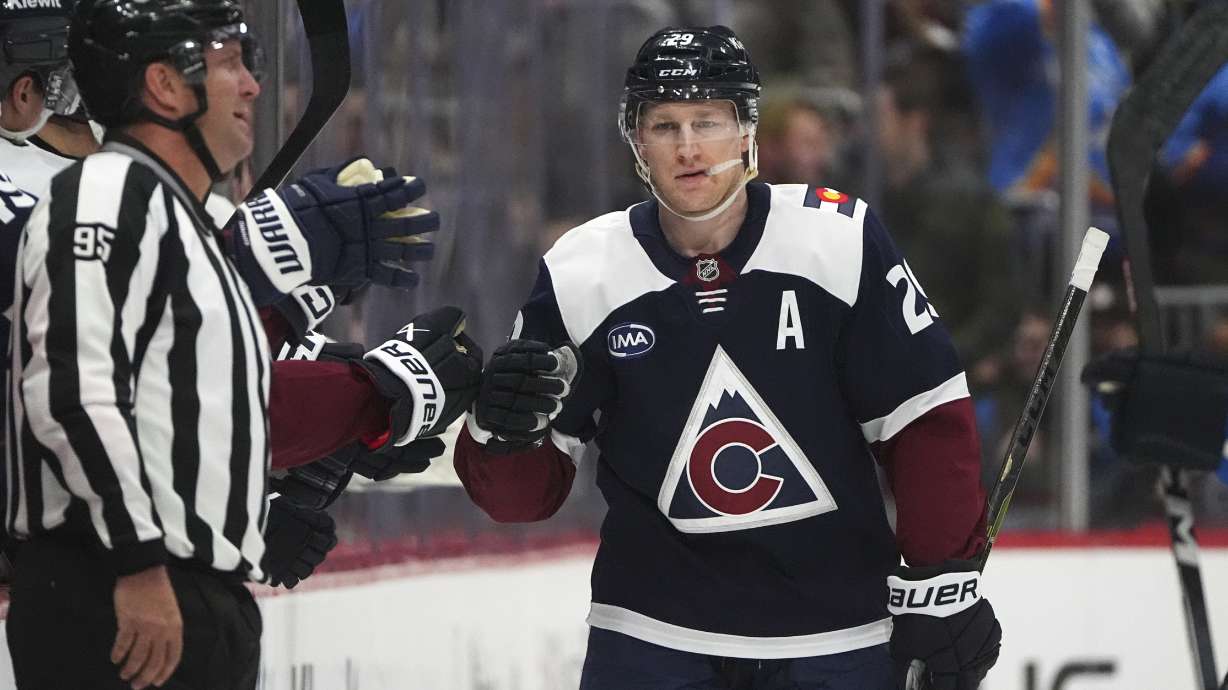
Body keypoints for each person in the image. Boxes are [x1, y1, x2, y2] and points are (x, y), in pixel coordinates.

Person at [454, 25, 1001, 690]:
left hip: (836, 633)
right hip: (651, 635)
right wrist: (501, 434)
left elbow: (925, 420)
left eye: (707, 121)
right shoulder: (582, 274)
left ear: (746, 132)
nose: (688, 148)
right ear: (637, 141)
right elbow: (526, 496)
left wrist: (941, 578)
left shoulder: (839, 240)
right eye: (665, 125)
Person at [4, 2, 482, 689]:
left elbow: (202, 400)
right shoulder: (103, 198)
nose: (254, 86)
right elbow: (72, 395)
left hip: (185, 590)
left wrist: (349, 410)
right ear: (166, 87)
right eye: (230, 64)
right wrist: (138, 567)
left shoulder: (180, 217)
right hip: (118, 588)